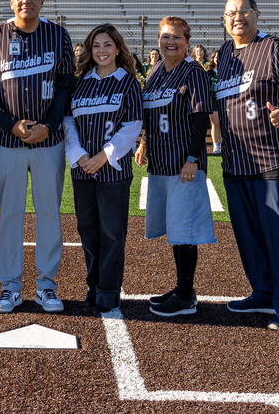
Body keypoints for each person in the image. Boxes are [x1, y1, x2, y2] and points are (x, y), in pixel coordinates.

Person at [0, 0, 75, 314]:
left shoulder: (58, 35)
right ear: (11, 1)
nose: (26, 0)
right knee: (10, 214)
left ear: (42, 0)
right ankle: (10, 287)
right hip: (7, 141)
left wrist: (48, 124)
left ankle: (47, 286)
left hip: (49, 140)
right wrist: (9, 124)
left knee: (48, 213)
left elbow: (65, 86)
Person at [215, 0, 279, 331]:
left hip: (272, 161)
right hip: (236, 161)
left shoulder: (273, 47)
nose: (237, 18)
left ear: (256, 14)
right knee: (249, 235)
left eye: (243, 12)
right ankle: (263, 291)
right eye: (230, 13)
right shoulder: (224, 53)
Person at [133, 16, 214, 318]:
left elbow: (200, 119)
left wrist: (192, 159)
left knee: (185, 231)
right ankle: (183, 288)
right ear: (158, 40)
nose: (171, 42)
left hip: (183, 164)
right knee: (175, 230)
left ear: (187, 41)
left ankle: (185, 295)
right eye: (166, 36)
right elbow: (149, 115)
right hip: (161, 164)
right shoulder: (155, 72)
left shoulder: (194, 72)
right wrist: (144, 142)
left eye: (177, 37)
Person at [64, 24, 142, 314]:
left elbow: (132, 125)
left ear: (118, 48)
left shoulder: (127, 83)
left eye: (107, 44)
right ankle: (93, 285)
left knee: (112, 232)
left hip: (113, 171)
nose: (102, 50)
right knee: (87, 230)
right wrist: (80, 155)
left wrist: (104, 156)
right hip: (83, 169)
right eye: (96, 45)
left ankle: (108, 291)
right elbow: (69, 122)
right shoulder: (80, 82)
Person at [209, 49, 222, 154]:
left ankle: (222, 143)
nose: (217, 59)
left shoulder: (226, 71)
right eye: (215, 57)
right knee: (215, 123)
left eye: (219, 57)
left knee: (223, 124)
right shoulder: (209, 73)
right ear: (213, 59)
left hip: (223, 99)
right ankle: (215, 145)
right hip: (213, 100)